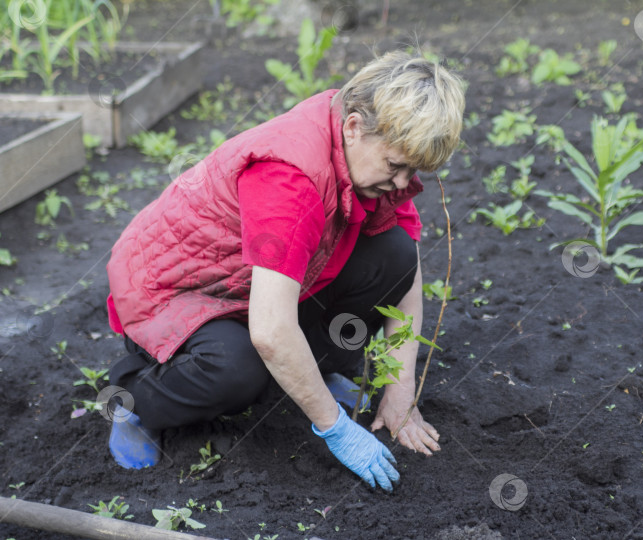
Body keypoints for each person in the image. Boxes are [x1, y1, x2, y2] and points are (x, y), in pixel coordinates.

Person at [103, 50, 465, 492]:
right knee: (238, 368)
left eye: (413, 170)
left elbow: (402, 276)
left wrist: (400, 391)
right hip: (176, 293)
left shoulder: (362, 142)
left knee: (393, 255)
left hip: (253, 284)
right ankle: (138, 401)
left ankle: (308, 370)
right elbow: (271, 331)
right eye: (395, 166)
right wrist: (336, 430)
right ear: (354, 127)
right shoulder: (290, 179)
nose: (401, 182)